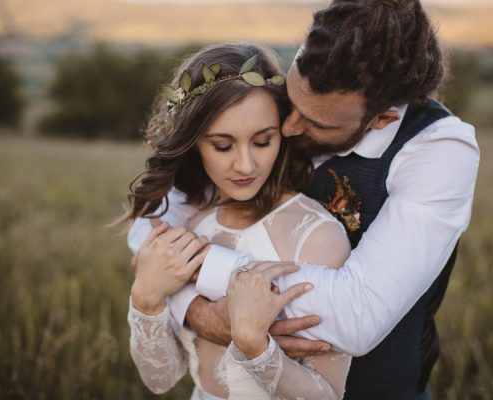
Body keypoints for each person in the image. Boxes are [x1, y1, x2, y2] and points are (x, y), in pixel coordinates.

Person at [130, 1, 480, 399]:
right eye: (292, 100)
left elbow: (356, 316)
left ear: (383, 117)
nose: (290, 126)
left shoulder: (440, 148)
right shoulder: (259, 118)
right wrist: (195, 310)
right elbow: (150, 231)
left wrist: (194, 266)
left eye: (317, 122)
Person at [124, 43, 354, 400]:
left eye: (263, 141)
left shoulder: (317, 237)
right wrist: (146, 299)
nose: (245, 166)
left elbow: (328, 394)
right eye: (222, 146)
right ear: (193, 144)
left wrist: (254, 346)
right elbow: (161, 379)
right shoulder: (192, 226)